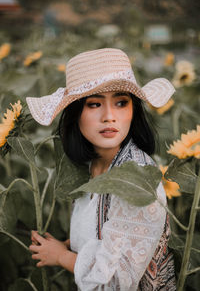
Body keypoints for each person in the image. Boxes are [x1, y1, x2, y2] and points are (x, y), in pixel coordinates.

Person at [27, 48, 176, 290]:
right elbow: (108, 238)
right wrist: (65, 245)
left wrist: (62, 258)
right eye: (94, 104)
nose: (109, 116)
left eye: (121, 102)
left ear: (133, 110)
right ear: (76, 114)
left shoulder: (137, 180)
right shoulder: (92, 165)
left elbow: (116, 281)